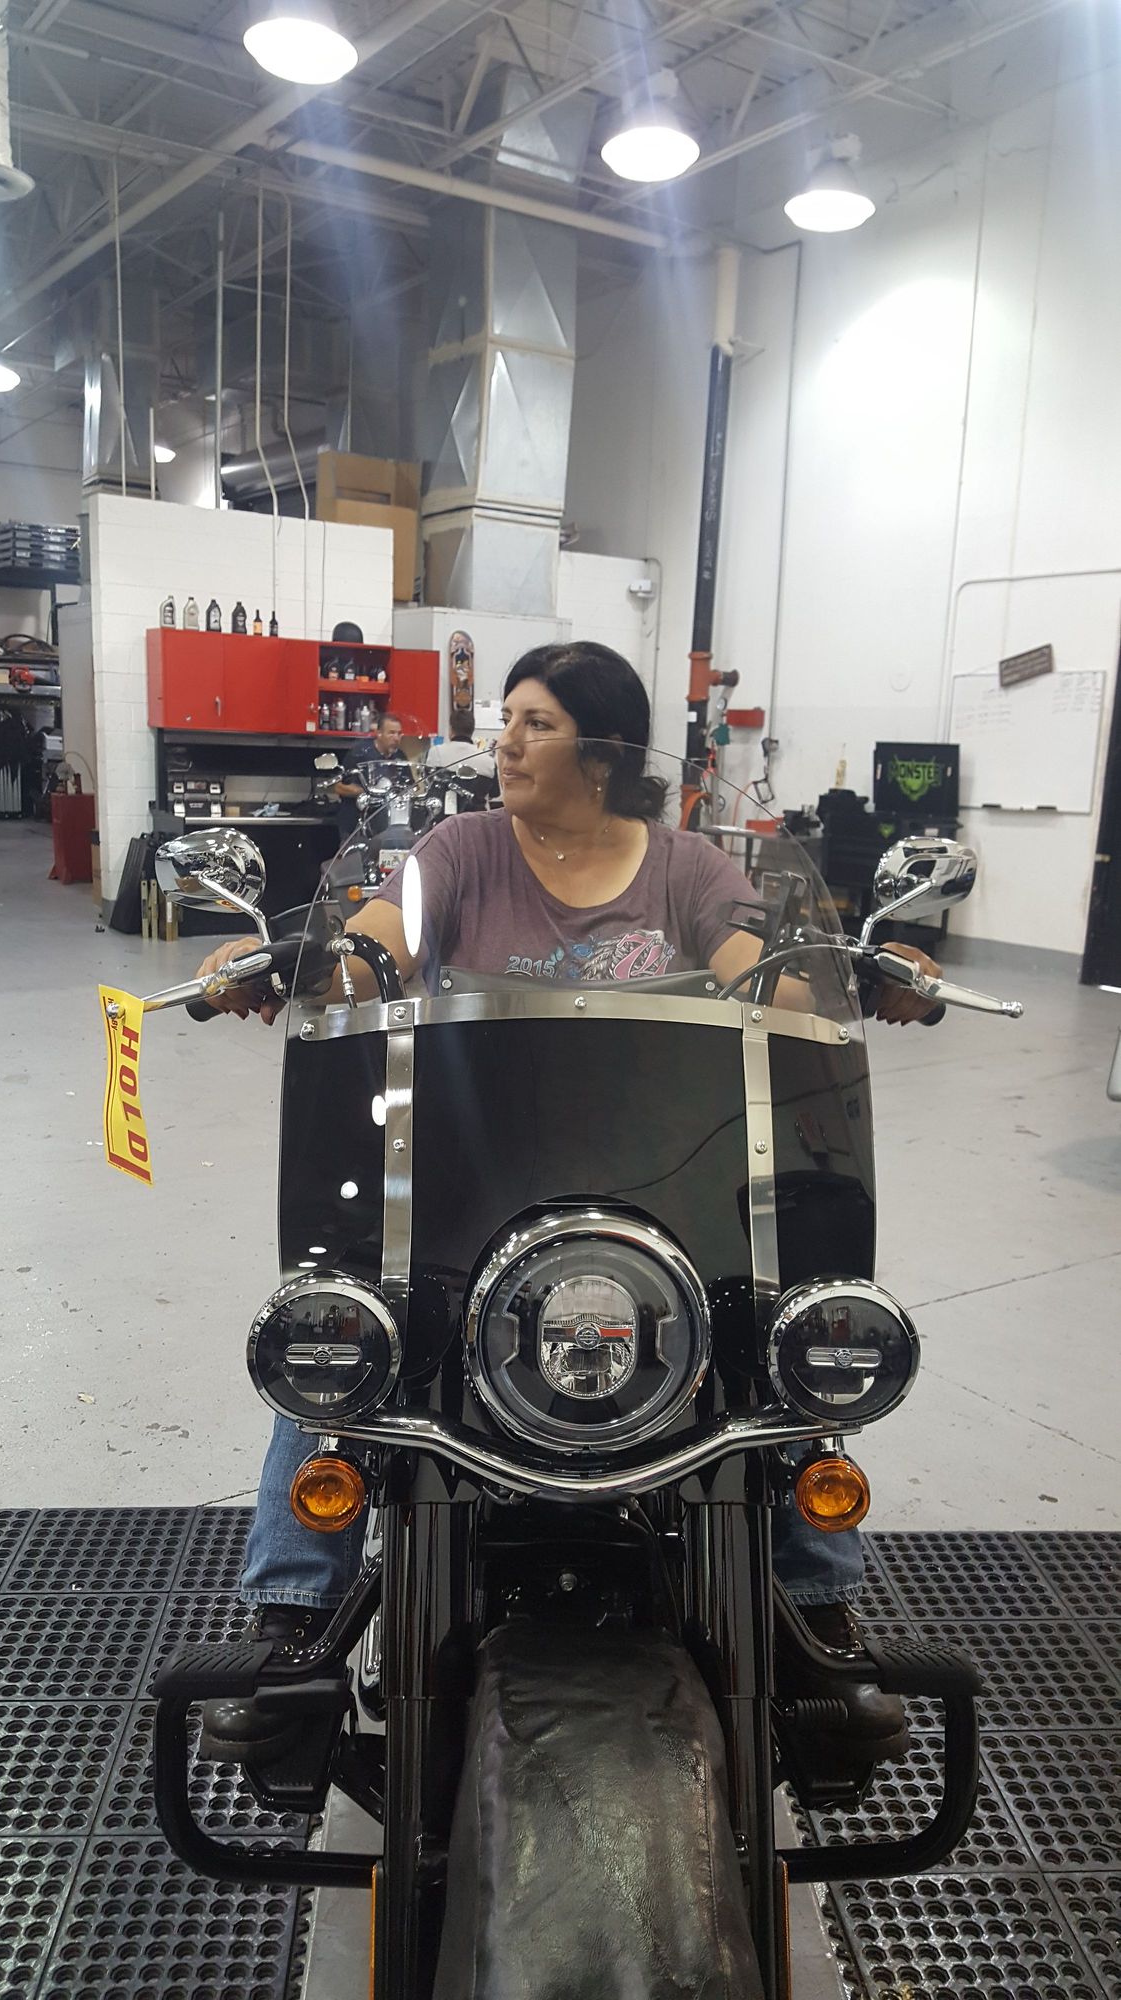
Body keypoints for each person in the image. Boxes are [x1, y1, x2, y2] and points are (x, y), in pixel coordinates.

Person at [197, 642, 937, 1761]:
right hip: (473, 1174)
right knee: (341, 1332)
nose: (505, 745)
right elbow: (371, 956)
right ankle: (292, 1620)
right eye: (505, 722)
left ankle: (815, 1612)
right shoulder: (459, 853)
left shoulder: (686, 867)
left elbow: (764, 974)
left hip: (663, 1178)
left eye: (534, 724)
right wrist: (290, 965)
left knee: (783, 1335)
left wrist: (857, 974)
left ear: (601, 752)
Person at [332, 711, 406, 841]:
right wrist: (370, 792)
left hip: (388, 826)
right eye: (391, 733)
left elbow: (409, 786)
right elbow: (339, 787)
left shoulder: (400, 757)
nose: (396, 738)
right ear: (379, 733)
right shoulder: (359, 754)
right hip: (356, 825)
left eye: (399, 733)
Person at [425, 711, 496, 781]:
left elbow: (427, 782)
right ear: (472, 730)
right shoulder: (488, 762)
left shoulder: (436, 752)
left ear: (451, 729)